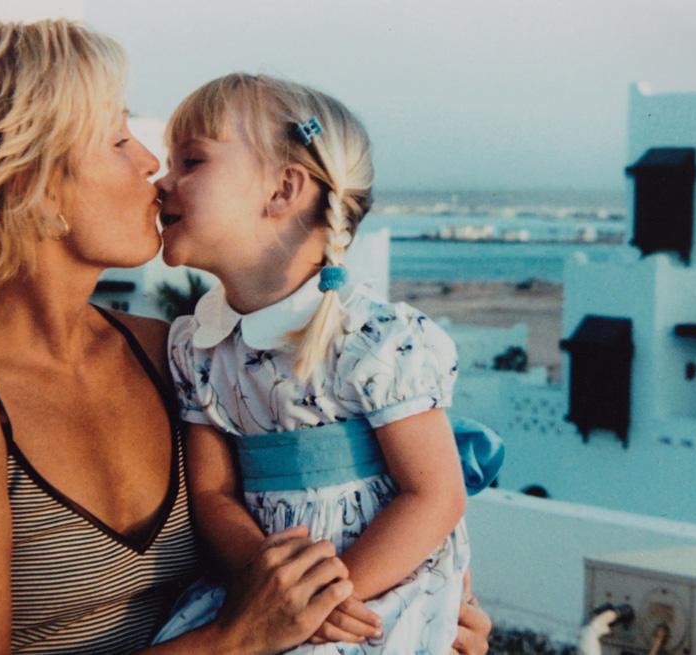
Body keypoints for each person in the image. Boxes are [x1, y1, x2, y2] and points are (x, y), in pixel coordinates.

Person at [0, 19, 492, 655]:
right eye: (116, 139)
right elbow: (261, 615)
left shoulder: (173, 353)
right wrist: (234, 640)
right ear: (33, 184)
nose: (150, 164)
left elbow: (346, 513)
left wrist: (423, 612)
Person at [152, 73, 473, 654]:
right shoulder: (196, 346)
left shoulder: (377, 339)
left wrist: (333, 597)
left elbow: (433, 496)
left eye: (189, 162)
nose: (161, 181)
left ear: (283, 190)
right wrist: (280, 593)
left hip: (372, 593)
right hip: (266, 593)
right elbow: (214, 495)